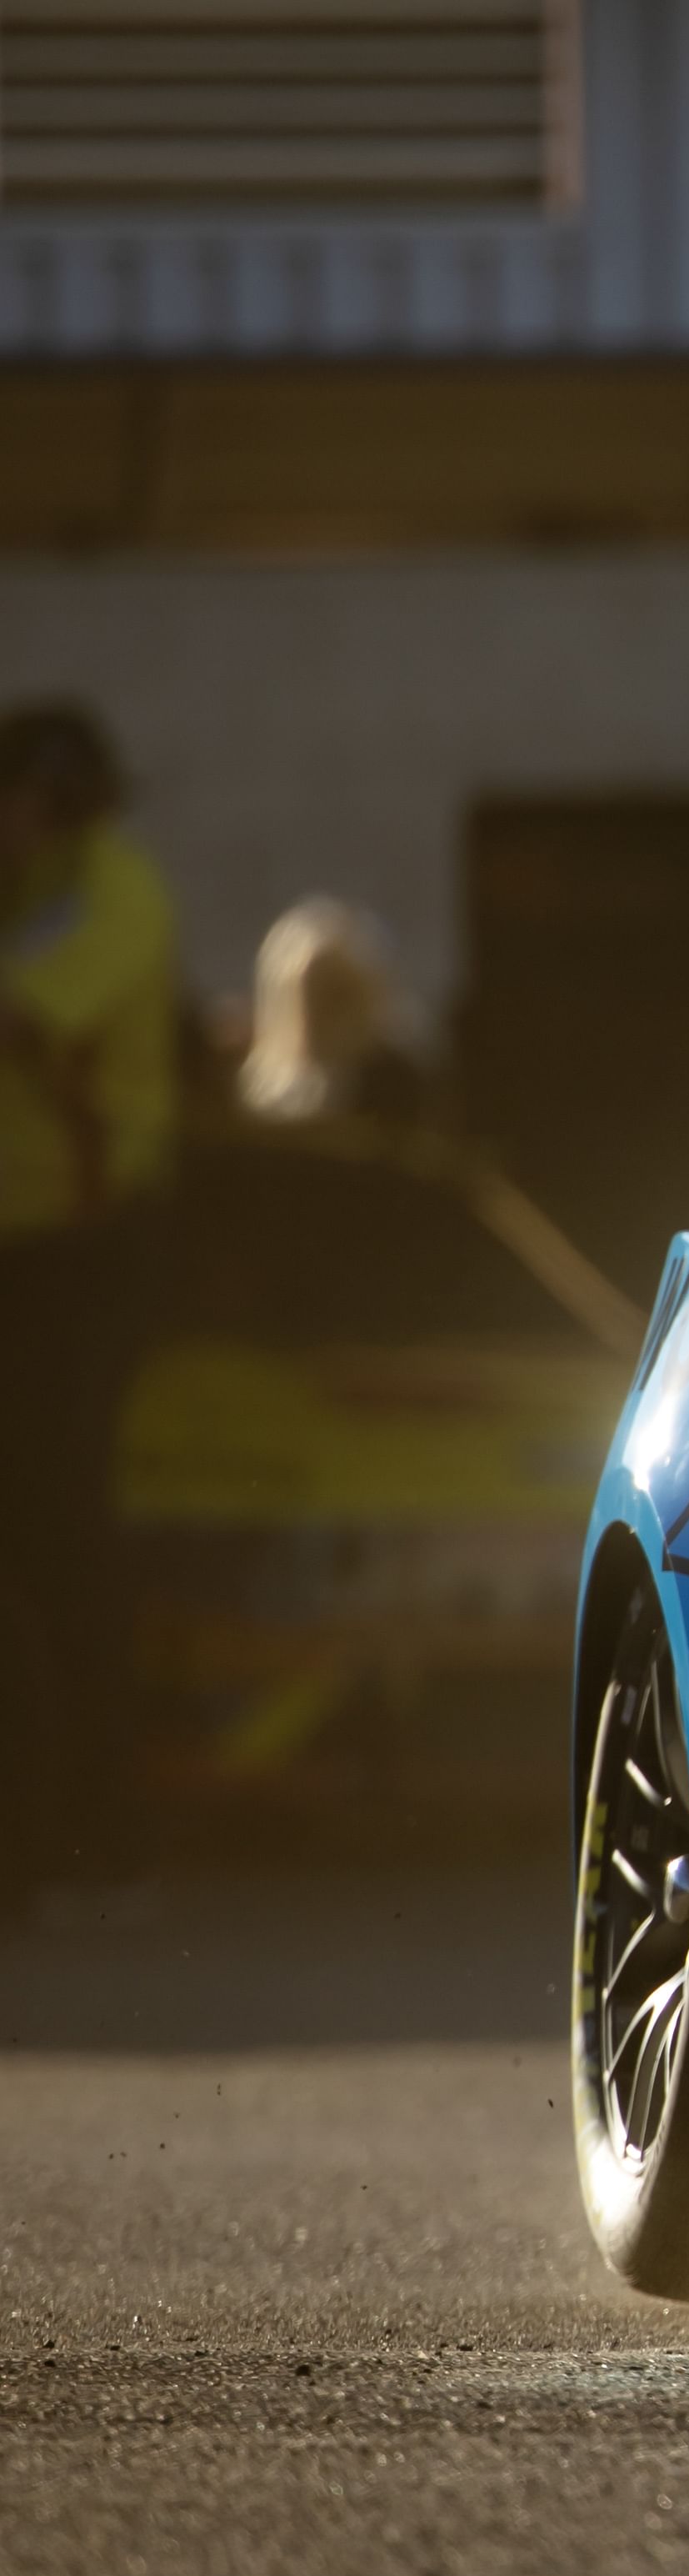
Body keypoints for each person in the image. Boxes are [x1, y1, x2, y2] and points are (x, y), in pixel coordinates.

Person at [0, 699, 184, 1895]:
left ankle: (101, 1831)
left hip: (76, 1255)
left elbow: (27, 1014)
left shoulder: (113, 892)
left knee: (61, 1536)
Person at [233, 896, 432, 1130]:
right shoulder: (268, 1098)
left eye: (339, 995)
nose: (328, 1015)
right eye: (320, 995)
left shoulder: (397, 1087)